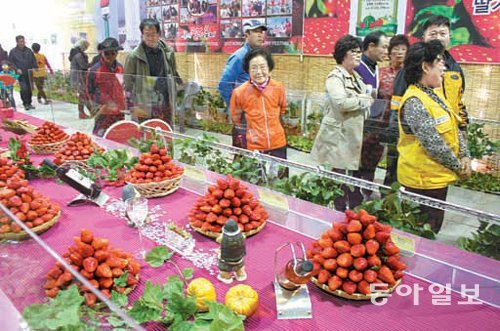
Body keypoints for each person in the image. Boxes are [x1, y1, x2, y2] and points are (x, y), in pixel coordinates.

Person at [397, 40, 471, 233]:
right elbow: (434, 144)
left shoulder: (434, 94)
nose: (444, 68)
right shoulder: (414, 100)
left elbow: (454, 126)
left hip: (437, 178)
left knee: (432, 229)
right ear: (425, 66)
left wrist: (465, 155)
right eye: (439, 62)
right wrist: (459, 167)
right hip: (421, 183)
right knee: (420, 234)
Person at [310, 35, 372, 211]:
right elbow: (341, 103)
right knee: (336, 181)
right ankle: (334, 214)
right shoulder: (335, 77)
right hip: (337, 139)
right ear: (343, 54)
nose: (359, 55)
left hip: (351, 137)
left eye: (360, 51)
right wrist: (363, 100)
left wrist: (364, 100)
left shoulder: (356, 76)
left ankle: (345, 211)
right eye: (354, 51)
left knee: (347, 179)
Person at [230, 48, 287, 162]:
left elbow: (283, 110)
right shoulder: (239, 92)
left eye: (262, 67)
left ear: (269, 68)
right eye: (254, 68)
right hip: (253, 146)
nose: (259, 72)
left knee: (279, 178)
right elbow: (236, 119)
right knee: (255, 178)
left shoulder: (278, 87)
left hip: (278, 143)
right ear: (248, 70)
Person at [124, 18, 182, 125]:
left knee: (166, 130)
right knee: (146, 134)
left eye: (153, 34)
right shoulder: (134, 57)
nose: (151, 38)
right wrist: (132, 107)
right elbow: (128, 84)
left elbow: (172, 72)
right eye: (147, 35)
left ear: (159, 34)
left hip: (165, 100)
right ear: (142, 35)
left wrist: (175, 96)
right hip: (145, 103)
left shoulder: (168, 52)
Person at [218, 19, 267, 148]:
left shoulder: (260, 56)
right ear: (246, 35)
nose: (260, 35)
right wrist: (235, 106)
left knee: (257, 149)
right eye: (256, 31)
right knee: (243, 150)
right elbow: (224, 84)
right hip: (244, 113)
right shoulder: (239, 57)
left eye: (261, 32)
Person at [354, 31, 389, 200]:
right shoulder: (357, 68)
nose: (386, 51)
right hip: (357, 129)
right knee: (355, 167)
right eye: (384, 47)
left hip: (372, 127)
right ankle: (353, 198)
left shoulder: (375, 68)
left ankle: (365, 196)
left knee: (369, 165)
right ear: (371, 46)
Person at [378, 34, 409, 186]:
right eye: (396, 49)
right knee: (372, 159)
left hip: (400, 126)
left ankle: (390, 191)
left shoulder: (410, 75)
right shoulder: (381, 73)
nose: (400, 52)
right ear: (389, 52)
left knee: (395, 161)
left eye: (403, 49)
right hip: (379, 123)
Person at [87, 37, 126, 137]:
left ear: (117, 53)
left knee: (119, 134)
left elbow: (123, 86)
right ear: (102, 53)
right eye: (106, 53)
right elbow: (89, 91)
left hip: (119, 110)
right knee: (99, 136)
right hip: (103, 112)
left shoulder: (120, 67)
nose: (110, 56)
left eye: (113, 53)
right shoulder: (95, 70)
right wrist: (95, 108)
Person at [8, 35, 38, 110]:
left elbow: (33, 60)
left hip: (29, 72)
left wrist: (35, 67)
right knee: (24, 88)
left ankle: (29, 103)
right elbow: (11, 62)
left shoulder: (28, 50)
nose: (22, 43)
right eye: (20, 41)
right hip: (20, 73)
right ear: (17, 42)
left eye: (23, 41)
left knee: (30, 88)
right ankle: (25, 103)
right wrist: (16, 69)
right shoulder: (13, 51)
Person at [69, 39, 91, 119]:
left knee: (83, 95)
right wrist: (93, 63)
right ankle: (84, 112)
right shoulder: (78, 55)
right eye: (85, 47)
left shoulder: (75, 52)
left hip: (77, 77)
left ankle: (85, 112)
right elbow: (84, 66)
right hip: (78, 78)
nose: (86, 49)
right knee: (83, 95)